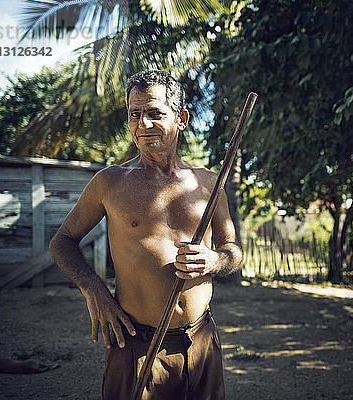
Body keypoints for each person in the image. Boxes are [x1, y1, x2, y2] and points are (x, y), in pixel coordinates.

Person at [49, 70, 242, 400]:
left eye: (155, 113)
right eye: (135, 114)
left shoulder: (209, 183)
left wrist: (214, 260)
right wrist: (93, 288)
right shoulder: (110, 182)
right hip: (137, 344)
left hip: (201, 339)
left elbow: (233, 251)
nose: (143, 124)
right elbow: (63, 241)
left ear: (181, 118)